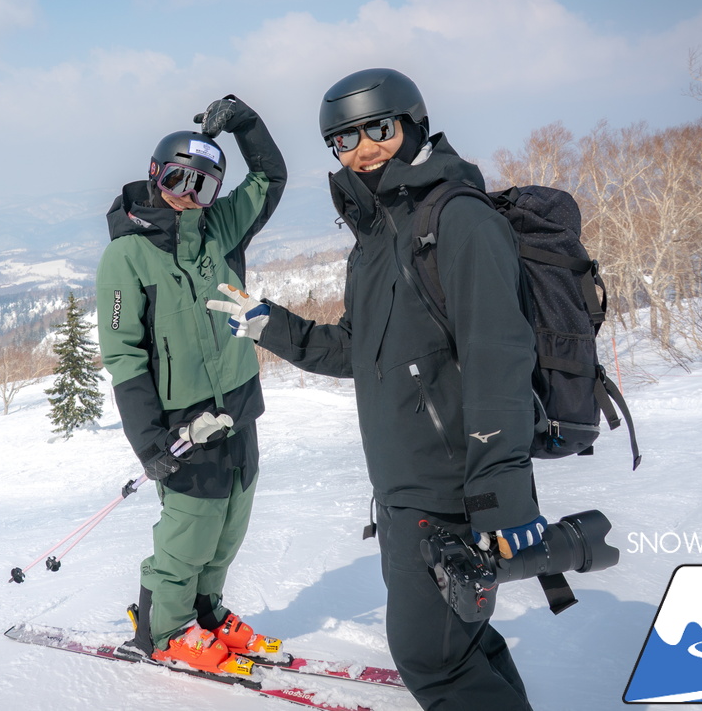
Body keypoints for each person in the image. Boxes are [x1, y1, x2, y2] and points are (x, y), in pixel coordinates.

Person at [207, 69, 544, 710]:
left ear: (413, 125)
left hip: (450, 492)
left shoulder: (459, 220)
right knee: (462, 647)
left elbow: (499, 357)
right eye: (343, 140)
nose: (362, 151)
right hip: (401, 487)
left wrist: (502, 493)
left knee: (434, 662)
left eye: (378, 130)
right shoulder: (377, 237)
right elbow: (356, 350)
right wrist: (266, 323)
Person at [95, 95, 287, 677]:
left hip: (239, 402)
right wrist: (149, 440)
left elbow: (269, 178)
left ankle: (206, 613)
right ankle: (164, 628)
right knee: (191, 525)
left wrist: (248, 125)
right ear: (156, 177)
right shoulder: (126, 257)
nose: (188, 194)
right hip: (183, 421)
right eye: (178, 179)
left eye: (203, 186)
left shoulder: (220, 229)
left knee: (232, 518)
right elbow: (123, 354)